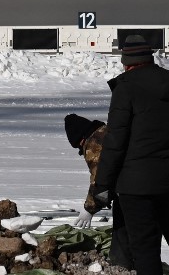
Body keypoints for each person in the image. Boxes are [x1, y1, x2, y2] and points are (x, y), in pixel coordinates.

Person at [92, 35, 169, 275]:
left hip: (135, 185)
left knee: (144, 246)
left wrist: (102, 186)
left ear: (126, 61)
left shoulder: (126, 88)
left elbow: (115, 141)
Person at [64, 114, 132, 269]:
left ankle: (123, 267)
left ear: (81, 139)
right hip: (147, 181)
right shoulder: (107, 131)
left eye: (79, 147)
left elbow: (101, 180)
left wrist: (90, 208)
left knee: (123, 232)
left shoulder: (93, 144)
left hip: (130, 190)